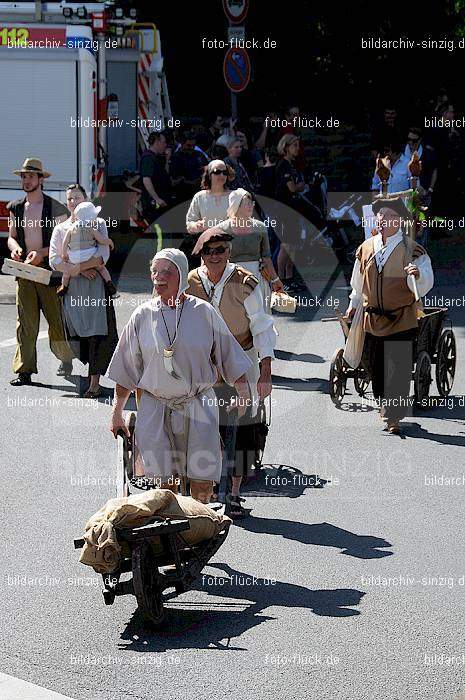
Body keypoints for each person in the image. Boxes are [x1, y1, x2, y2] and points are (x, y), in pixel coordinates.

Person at [107, 248, 252, 504]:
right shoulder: (142, 315)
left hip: (198, 404)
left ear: (182, 275)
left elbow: (229, 354)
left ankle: (199, 524)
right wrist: (117, 411)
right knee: (164, 483)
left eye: (167, 272)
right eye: (155, 271)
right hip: (155, 404)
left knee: (202, 478)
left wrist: (242, 393)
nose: (158, 277)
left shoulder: (204, 312)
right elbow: (126, 368)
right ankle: (172, 530)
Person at [187, 232, 276, 517]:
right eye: (208, 251)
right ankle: (211, 488)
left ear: (228, 251)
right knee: (205, 427)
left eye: (220, 250)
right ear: (200, 255)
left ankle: (235, 493)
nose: (214, 256)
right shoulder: (189, 282)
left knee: (244, 427)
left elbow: (262, 327)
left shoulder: (246, 282)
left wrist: (265, 372)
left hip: (242, 360)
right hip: (204, 366)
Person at [345, 197, 434, 434]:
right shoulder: (365, 248)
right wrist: (353, 304)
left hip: (401, 318)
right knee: (375, 367)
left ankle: (393, 416)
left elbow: (425, 278)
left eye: (390, 216)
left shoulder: (411, 249)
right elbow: (357, 282)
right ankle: (385, 401)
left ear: (400, 221)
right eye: (381, 215)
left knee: (398, 368)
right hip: (372, 319)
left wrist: (417, 274)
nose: (384, 219)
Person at [7, 157, 73, 386]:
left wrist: (42, 255)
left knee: (56, 321)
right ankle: (24, 371)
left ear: (41, 179)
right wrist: (16, 250)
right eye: (24, 176)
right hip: (25, 271)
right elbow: (12, 238)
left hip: (49, 272)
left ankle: (66, 358)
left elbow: (65, 242)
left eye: (31, 176)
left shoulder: (56, 208)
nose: (26, 180)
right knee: (26, 322)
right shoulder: (15, 207)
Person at [49, 184, 118, 398]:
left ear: (85, 199)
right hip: (73, 288)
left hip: (96, 286)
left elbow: (103, 257)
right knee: (77, 334)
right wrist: (80, 270)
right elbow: (54, 260)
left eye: (77, 197)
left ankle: (94, 383)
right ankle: (88, 377)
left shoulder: (99, 224)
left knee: (99, 333)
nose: (73, 202)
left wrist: (82, 266)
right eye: (69, 199)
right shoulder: (61, 229)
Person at [193, 188, 284, 310]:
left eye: (251, 203)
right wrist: (206, 279)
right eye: (246, 203)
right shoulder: (222, 229)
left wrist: (275, 280)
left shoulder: (260, 227)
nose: (250, 206)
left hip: (256, 277)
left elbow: (266, 257)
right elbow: (207, 256)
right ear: (236, 205)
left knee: (259, 316)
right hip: (230, 277)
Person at [57, 201, 117, 298]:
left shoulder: (71, 228)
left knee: (67, 272)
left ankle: (64, 286)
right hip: (90, 254)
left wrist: (64, 254)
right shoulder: (91, 228)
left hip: (75, 257)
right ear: (91, 218)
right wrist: (110, 242)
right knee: (101, 268)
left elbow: (65, 242)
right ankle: (109, 283)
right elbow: (101, 240)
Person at [183, 160, 234, 269]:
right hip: (207, 248)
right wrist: (196, 226)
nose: (221, 175)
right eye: (217, 172)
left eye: (224, 172)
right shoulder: (200, 197)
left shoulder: (234, 196)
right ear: (209, 175)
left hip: (230, 249)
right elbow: (189, 224)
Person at [139, 131, 174, 234]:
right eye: (163, 142)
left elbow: (165, 176)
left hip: (161, 201)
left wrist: (167, 160)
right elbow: (146, 179)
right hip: (153, 205)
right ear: (157, 142)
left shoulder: (157, 158)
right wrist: (156, 198)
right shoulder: (148, 158)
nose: (165, 145)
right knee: (159, 233)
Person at [170, 131, 209, 203]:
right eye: (188, 145)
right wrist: (190, 182)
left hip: (200, 191)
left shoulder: (199, 155)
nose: (191, 148)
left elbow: (207, 168)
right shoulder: (176, 158)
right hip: (184, 194)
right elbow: (175, 178)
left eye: (193, 145)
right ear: (182, 144)